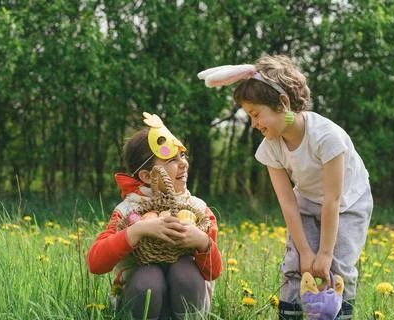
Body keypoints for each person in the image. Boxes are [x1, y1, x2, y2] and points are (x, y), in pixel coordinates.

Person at [198, 55, 372, 320]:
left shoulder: (327, 138)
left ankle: (338, 314)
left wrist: (324, 253)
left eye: (256, 114)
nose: (254, 124)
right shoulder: (271, 147)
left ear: (283, 103)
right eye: (250, 116)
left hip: (348, 203)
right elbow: (288, 202)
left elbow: (332, 200)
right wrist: (305, 252)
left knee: (337, 265)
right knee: (295, 265)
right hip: (306, 200)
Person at [86, 112, 223, 320]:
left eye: (183, 156)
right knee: (148, 277)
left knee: (185, 271)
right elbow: (95, 263)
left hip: (188, 300)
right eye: (171, 159)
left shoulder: (197, 209)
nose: (184, 163)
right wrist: (137, 230)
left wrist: (203, 242)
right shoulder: (129, 210)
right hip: (140, 300)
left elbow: (214, 272)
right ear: (147, 176)